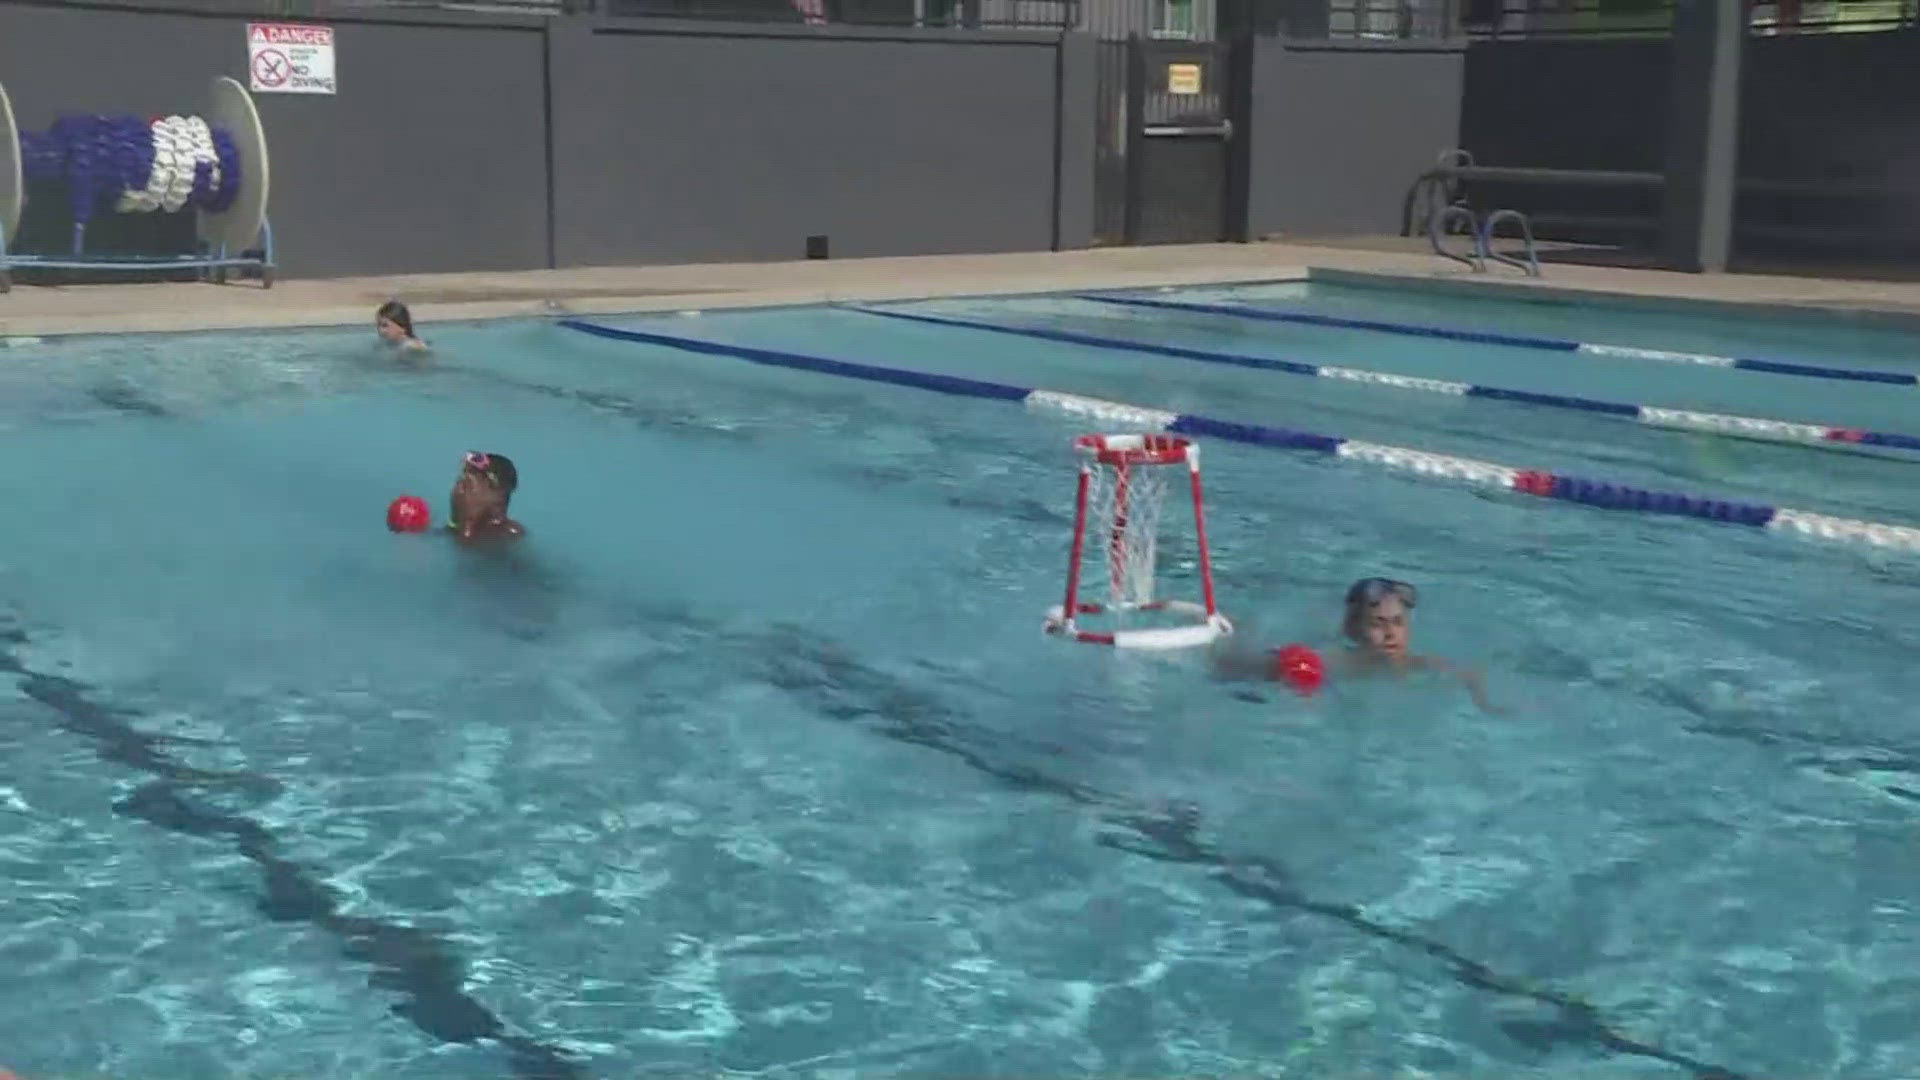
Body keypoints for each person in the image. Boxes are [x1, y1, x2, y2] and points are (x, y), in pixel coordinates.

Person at [1213, 576, 1500, 713]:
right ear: (1354, 630)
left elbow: (1471, 674)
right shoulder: (1339, 662)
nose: (1391, 634)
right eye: (1377, 624)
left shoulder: (1419, 664)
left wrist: (1487, 706)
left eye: (1398, 622)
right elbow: (1259, 664)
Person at [448, 451, 525, 542]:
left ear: (499, 498)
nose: (457, 492)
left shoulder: (509, 535)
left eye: (467, 487)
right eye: (460, 481)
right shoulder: (446, 534)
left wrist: (467, 526)